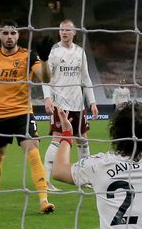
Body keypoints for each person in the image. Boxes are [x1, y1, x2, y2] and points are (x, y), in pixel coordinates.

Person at [0, 20, 55, 213]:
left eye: (13, 33)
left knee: (33, 151)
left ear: (18, 36)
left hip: (22, 113)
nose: (9, 37)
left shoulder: (28, 56)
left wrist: (44, 60)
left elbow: (46, 78)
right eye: (6, 33)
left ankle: (44, 200)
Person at [41, 19, 99, 191]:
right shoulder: (54, 52)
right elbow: (46, 78)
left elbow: (86, 78)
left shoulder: (80, 52)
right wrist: (47, 98)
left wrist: (92, 101)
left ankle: (84, 178)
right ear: (59, 32)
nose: (64, 32)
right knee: (57, 139)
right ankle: (44, 180)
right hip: (60, 104)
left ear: (74, 33)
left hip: (78, 104)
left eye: (68, 30)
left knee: (83, 141)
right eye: (61, 30)